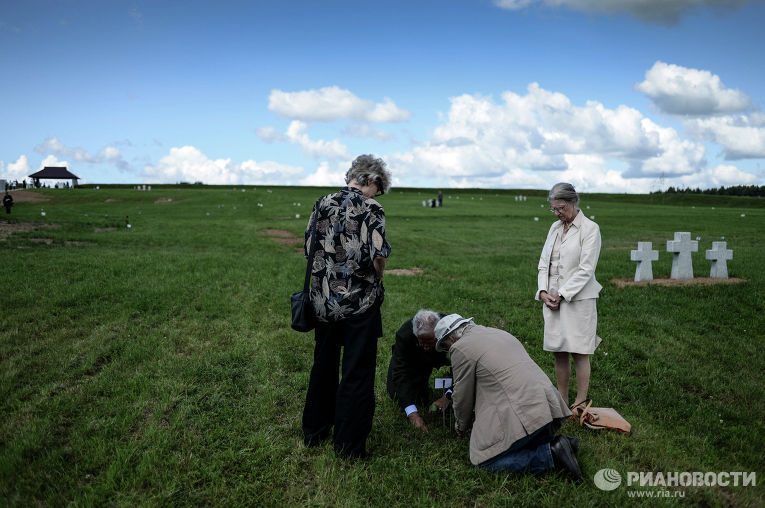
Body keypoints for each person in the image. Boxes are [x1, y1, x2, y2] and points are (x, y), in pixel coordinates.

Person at [301, 154, 392, 459]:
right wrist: (377, 276)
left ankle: (315, 431)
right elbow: (379, 254)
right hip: (359, 304)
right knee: (357, 373)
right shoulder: (371, 209)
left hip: (323, 301)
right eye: (376, 189)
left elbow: (307, 247)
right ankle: (349, 447)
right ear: (369, 180)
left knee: (323, 366)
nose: (375, 195)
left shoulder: (322, 202)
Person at [434, 314, 582, 481]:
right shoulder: (498, 332)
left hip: (523, 413)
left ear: (451, 340)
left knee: (482, 463)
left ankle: (551, 454)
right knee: (525, 440)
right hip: (548, 409)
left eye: (445, 347)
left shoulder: (460, 347)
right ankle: (563, 444)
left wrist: (461, 425)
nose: (448, 351)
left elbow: (462, 395)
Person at [535, 182, 602, 413]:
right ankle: (561, 400)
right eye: (553, 209)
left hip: (578, 300)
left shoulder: (590, 229)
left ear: (573, 203)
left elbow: (586, 269)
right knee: (559, 350)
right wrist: (543, 292)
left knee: (579, 350)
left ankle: (580, 402)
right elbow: (544, 263)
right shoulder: (554, 228)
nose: (557, 213)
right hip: (552, 299)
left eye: (561, 208)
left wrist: (563, 294)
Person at [386, 309, 451, 433]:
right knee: (395, 393)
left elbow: (463, 367)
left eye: (430, 342)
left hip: (441, 352)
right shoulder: (404, 335)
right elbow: (400, 372)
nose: (426, 347)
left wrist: (448, 395)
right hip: (414, 358)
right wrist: (413, 414)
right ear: (415, 334)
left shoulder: (450, 331)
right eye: (422, 342)